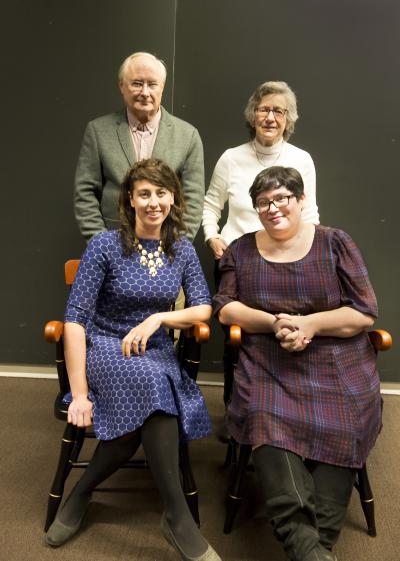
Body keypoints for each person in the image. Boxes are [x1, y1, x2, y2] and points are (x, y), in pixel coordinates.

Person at [46, 159, 221, 561]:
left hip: (155, 350)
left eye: (161, 193)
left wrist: (159, 317)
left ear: (173, 197)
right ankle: (177, 518)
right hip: (105, 346)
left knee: (147, 396)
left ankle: (82, 492)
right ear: (130, 198)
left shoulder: (180, 248)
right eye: (144, 193)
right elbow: (74, 320)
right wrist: (79, 394)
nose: (154, 202)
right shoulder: (105, 245)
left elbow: (203, 309)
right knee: (154, 388)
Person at [213, 166, 381, 561]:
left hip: (336, 357)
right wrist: (275, 323)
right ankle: (314, 552)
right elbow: (225, 308)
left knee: (345, 420)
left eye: (281, 198)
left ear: (301, 200)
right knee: (266, 419)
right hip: (269, 359)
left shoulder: (334, 242)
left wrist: (309, 324)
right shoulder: (241, 249)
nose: (272, 209)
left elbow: (364, 312)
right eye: (263, 203)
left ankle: (309, 550)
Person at [203, 81, 319, 407]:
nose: (270, 117)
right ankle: (234, 410)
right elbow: (211, 205)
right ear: (253, 114)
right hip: (236, 263)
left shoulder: (302, 160)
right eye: (264, 109)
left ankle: (284, 409)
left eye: (278, 111)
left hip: (287, 261)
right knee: (236, 342)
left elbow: (309, 213)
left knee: (282, 335)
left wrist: (310, 256)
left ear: (288, 119)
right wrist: (213, 236)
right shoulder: (231, 158)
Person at [74, 52, 204, 242]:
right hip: (112, 245)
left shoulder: (188, 135)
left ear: (162, 87)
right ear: (121, 86)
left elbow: (193, 200)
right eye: (137, 83)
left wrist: (175, 248)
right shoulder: (98, 131)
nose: (145, 92)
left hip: (166, 250)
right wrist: (101, 246)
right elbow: (84, 193)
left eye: (152, 84)